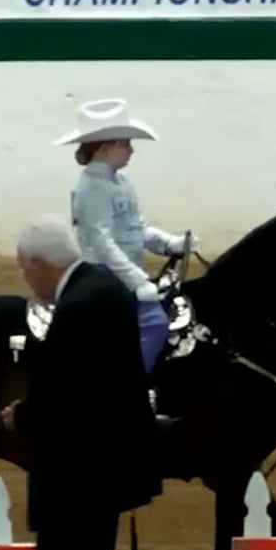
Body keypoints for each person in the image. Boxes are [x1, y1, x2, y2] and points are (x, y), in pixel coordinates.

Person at [0, 216, 171, 550]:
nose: (29, 282)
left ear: (37, 265)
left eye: (27, 272)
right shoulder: (101, 289)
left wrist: (22, 416)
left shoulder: (80, 307)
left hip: (79, 481)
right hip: (99, 476)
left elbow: (70, 398)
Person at [56, 98, 196, 373]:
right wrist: (137, 280)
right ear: (105, 148)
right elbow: (101, 241)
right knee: (154, 323)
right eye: (126, 143)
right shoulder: (93, 188)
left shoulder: (120, 183)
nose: (131, 150)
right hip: (103, 277)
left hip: (122, 275)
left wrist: (169, 244)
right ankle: (132, 385)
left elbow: (136, 228)